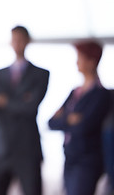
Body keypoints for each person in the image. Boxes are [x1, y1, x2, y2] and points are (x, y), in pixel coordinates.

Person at [0, 25, 49, 195]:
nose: (17, 44)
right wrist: (20, 102)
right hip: (0, 148)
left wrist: (4, 102)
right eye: (14, 40)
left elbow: (30, 108)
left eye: (20, 40)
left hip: (27, 149)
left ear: (27, 41)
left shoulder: (41, 74)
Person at [48, 40, 111, 195]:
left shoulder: (101, 94)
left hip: (87, 160)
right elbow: (51, 122)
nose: (77, 62)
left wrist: (65, 118)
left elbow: (85, 126)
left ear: (91, 62)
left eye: (80, 57)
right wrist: (70, 119)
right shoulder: (75, 92)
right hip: (70, 156)